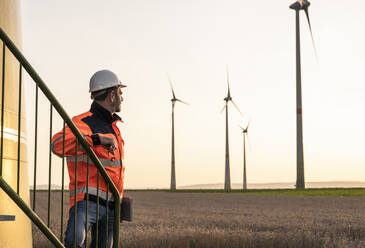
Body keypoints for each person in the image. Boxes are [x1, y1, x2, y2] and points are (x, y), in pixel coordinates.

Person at [51, 69, 126, 248]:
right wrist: (96, 139)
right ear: (112, 94)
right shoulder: (83, 122)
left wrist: (121, 200)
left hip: (111, 207)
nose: (122, 98)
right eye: (120, 93)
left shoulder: (115, 128)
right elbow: (57, 145)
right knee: (73, 242)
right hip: (86, 202)